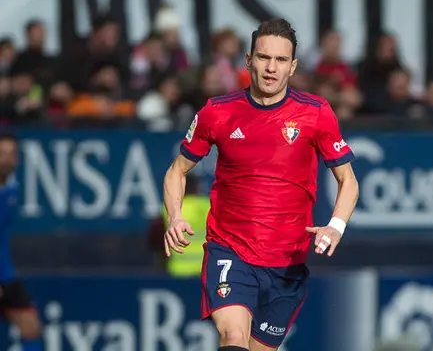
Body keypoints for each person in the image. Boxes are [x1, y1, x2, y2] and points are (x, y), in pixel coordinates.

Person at [162, 18, 359, 351]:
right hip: (230, 251)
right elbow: (176, 171)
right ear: (248, 60)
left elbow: (348, 181)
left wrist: (336, 227)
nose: (271, 68)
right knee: (232, 337)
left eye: (281, 60)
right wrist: (176, 215)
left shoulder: (316, 114)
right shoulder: (217, 113)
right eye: (264, 58)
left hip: (286, 262)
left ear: (293, 66)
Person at [0, 134, 43, 351]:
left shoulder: (11, 189)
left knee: (31, 326)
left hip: (7, 277)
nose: (6, 159)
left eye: (11, 154)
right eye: (2, 154)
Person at [147, 173, 210, 276]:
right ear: (197, 187)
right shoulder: (209, 206)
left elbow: (155, 241)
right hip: (207, 270)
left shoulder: (169, 210)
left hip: (179, 271)